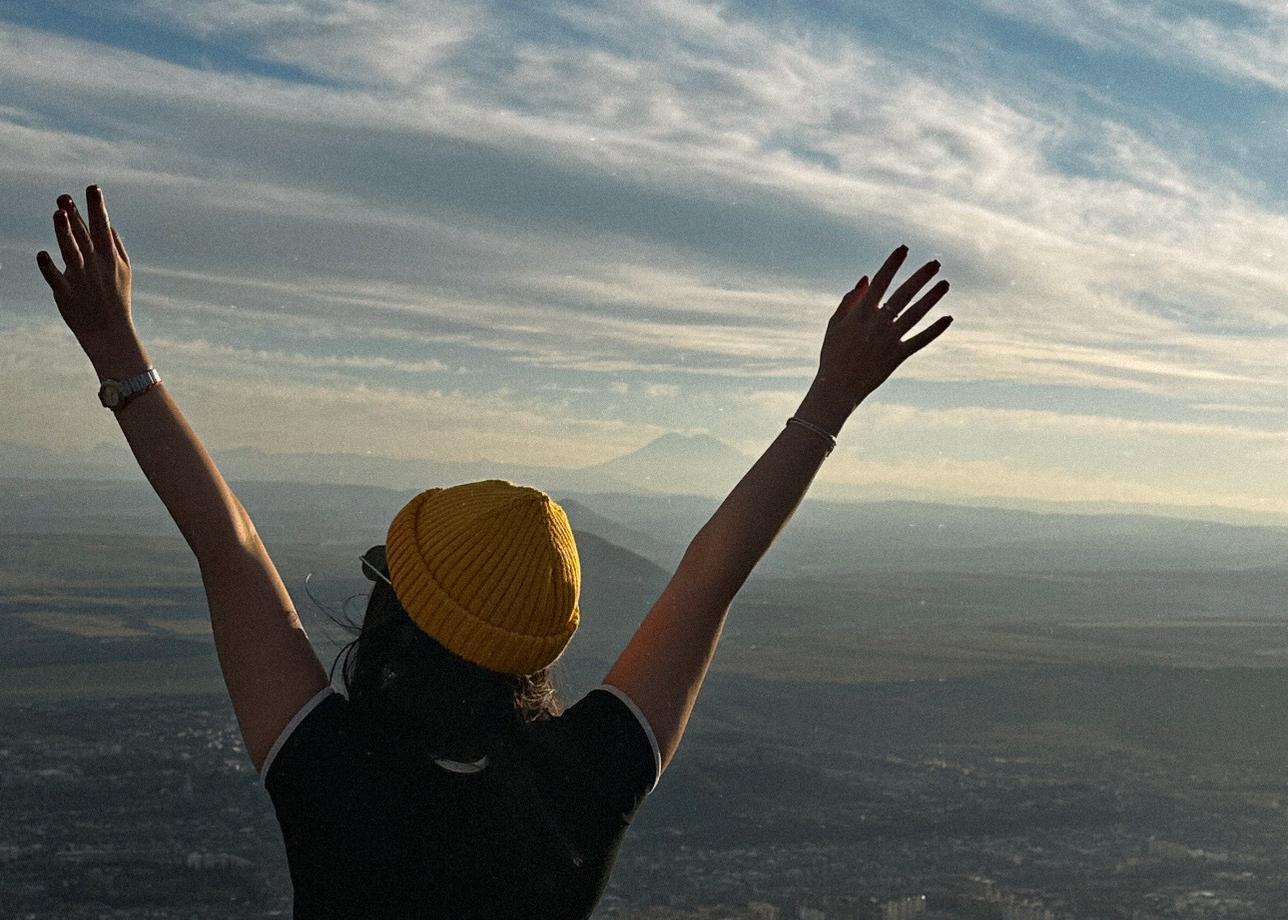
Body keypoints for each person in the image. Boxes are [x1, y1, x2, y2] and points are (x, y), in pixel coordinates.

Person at [36, 185, 953, 919]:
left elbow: (226, 545)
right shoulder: (586, 781)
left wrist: (119, 353)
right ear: (538, 647)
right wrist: (830, 398)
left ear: (397, 611)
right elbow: (712, 577)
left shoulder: (333, 779)